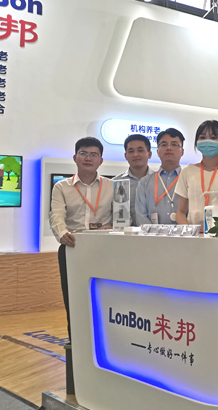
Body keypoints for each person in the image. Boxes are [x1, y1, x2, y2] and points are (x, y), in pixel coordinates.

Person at [50, 137, 114, 338]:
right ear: (75, 157)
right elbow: (56, 215)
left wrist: (115, 228)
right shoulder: (61, 187)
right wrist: (62, 234)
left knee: (105, 296)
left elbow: (121, 217)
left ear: (101, 160)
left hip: (104, 249)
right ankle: (75, 342)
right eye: (83, 153)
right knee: (73, 297)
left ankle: (105, 340)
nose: (88, 158)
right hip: (72, 248)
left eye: (94, 154)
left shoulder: (112, 186)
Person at [175, 120, 218, 227]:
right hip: (194, 234)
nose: (207, 141)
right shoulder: (187, 171)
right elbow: (180, 213)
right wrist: (191, 231)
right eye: (203, 137)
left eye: (213, 137)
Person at [135, 128, 184, 225]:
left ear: (182, 151)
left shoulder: (189, 180)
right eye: (164, 144)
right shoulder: (144, 182)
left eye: (174, 144)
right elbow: (141, 217)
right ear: (157, 151)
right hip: (151, 235)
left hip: (185, 234)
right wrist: (153, 234)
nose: (169, 148)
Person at [113, 134, 153, 226]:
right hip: (123, 232)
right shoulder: (116, 182)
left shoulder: (157, 181)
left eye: (140, 150)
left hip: (153, 233)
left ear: (149, 154)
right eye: (131, 151)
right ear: (125, 155)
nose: (135, 154)